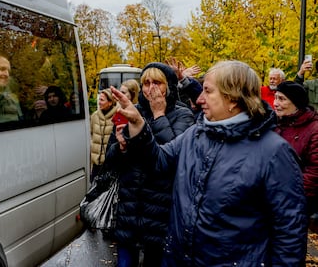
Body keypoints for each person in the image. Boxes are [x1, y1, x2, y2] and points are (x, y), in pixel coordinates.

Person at [109, 60, 308, 266]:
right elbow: (159, 161)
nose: (200, 99)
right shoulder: (195, 134)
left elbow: (289, 235)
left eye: (207, 91)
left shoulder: (274, 152)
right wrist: (139, 126)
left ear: (233, 98)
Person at [105, 62, 195, 267]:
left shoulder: (184, 115)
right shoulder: (131, 111)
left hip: (160, 209)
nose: (150, 89)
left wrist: (159, 115)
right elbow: (109, 160)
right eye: (146, 83)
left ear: (169, 86)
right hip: (130, 206)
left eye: (157, 83)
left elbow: (174, 157)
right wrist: (121, 148)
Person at [274, 81, 318, 217]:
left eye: (282, 99)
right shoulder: (275, 124)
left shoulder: (313, 129)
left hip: (296, 203)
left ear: (296, 103)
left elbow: (314, 172)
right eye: (275, 97)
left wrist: (286, 191)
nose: (275, 103)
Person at [90, 88, 117, 181]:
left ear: (110, 102)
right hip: (96, 165)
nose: (99, 102)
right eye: (99, 99)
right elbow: (91, 135)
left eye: (102, 100)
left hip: (110, 165)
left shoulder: (118, 116)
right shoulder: (94, 116)